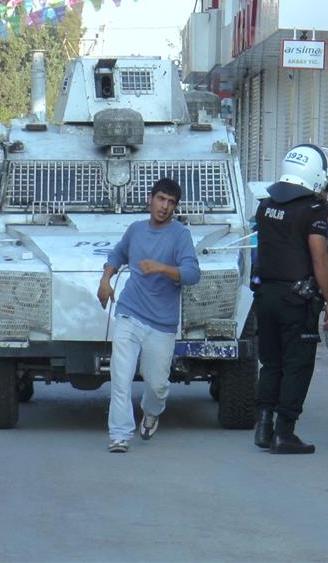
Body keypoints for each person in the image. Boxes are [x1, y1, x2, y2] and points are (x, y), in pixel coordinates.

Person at [98, 178, 201, 453]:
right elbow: (116, 256)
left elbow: (192, 274)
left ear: (175, 207)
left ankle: (151, 412)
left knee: (156, 385)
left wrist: (163, 268)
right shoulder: (135, 230)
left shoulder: (180, 235)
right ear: (150, 198)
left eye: (171, 203)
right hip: (130, 313)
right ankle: (119, 434)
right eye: (161, 199)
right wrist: (105, 280)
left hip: (162, 323)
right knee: (121, 376)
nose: (164, 207)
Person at [252, 144, 328, 455]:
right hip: (296, 299)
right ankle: (284, 432)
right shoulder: (313, 210)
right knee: (297, 365)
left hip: (266, 295)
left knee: (271, 363)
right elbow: (320, 257)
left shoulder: (266, 206)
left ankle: (264, 427)